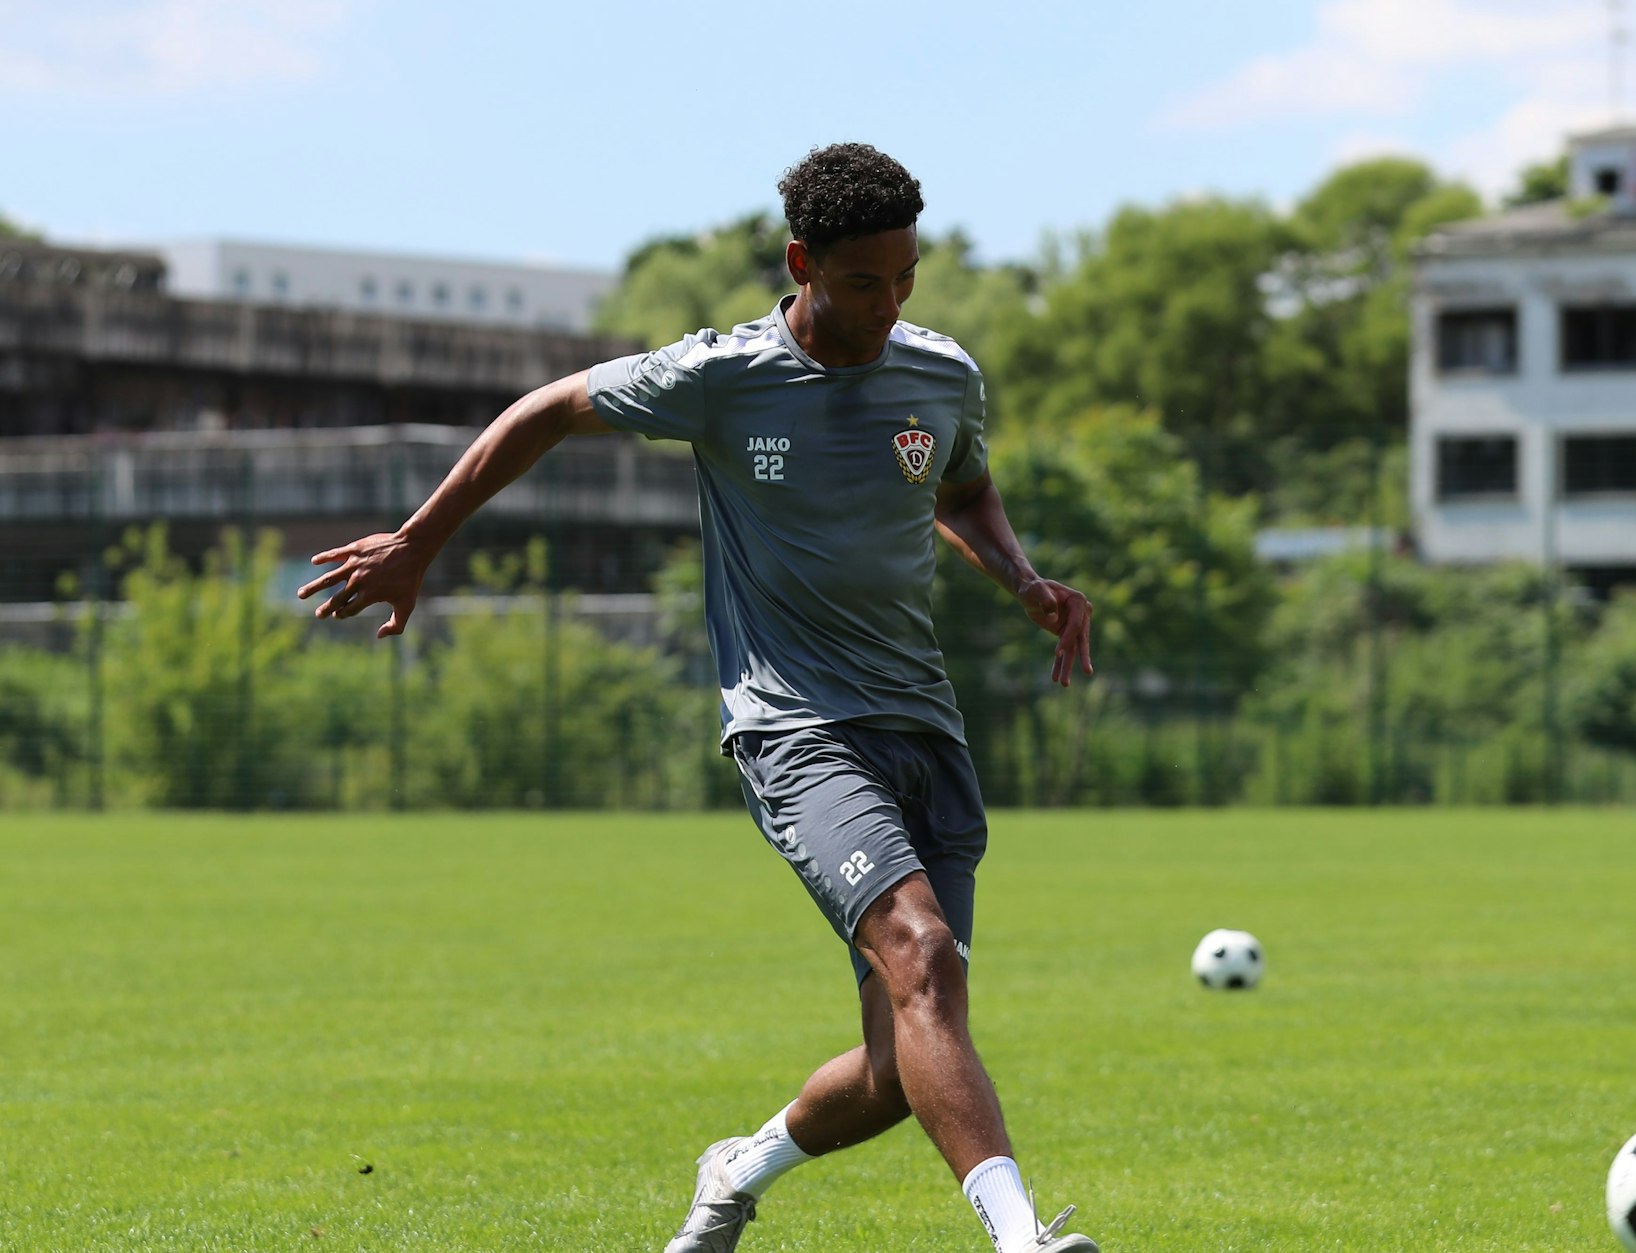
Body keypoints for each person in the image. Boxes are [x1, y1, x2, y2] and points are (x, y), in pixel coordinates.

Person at [298, 142, 1099, 1253]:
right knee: (923, 955)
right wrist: (420, 540)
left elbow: (961, 486)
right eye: (863, 281)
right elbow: (546, 408)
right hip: (796, 725)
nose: (888, 303)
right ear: (800, 261)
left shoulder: (940, 374)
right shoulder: (723, 376)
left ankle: (737, 1167)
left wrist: (1022, 580)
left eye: (906, 276)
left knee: (894, 1062)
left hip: (924, 722)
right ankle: (1021, 1238)